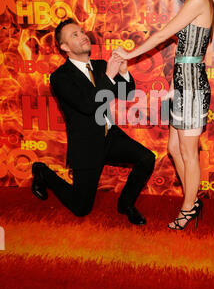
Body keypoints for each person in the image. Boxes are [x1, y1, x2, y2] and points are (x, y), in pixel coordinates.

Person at [114, 0, 214, 230]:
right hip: (183, 85)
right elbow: (182, 50)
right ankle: (193, 200)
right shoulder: (192, 0)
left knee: (187, 151)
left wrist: (129, 54)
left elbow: (163, 35)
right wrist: (173, 86)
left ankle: (188, 208)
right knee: (174, 147)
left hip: (193, 87)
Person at [31, 18, 155, 225]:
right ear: (64, 47)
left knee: (146, 158)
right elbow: (88, 106)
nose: (82, 36)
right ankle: (43, 172)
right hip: (86, 144)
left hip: (109, 135)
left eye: (81, 32)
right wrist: (109, 75)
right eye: (74, 35)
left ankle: (125, 205)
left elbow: (126, 94)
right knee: (81, 209)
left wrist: (123, 71)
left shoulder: (100, 66)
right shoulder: (60, 77)